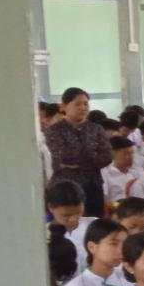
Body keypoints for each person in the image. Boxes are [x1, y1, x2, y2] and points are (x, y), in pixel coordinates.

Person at [44, 86, 114, 217]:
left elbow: (107, 156)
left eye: (86, 104)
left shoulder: (96, 128)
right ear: (64, 106)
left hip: (93, 185)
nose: (83, 108)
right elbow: (64, 156)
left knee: (93, 223)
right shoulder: (54, 131)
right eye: (77, 104)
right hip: (65, 188)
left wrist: (77, 163)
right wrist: (92, 156)